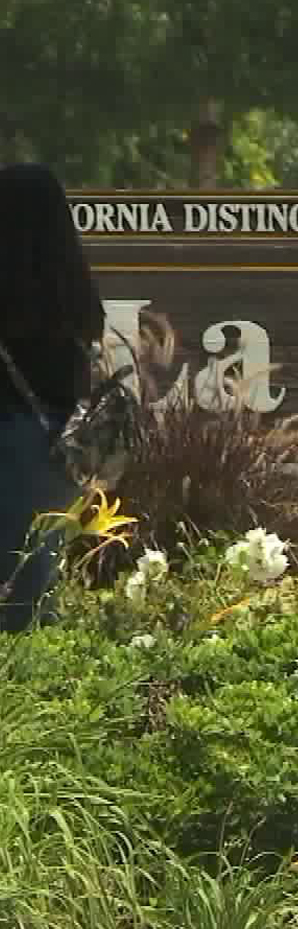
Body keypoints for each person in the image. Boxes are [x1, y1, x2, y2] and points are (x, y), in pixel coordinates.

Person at [0, 164, 101, 634]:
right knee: (36, 579)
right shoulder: (74, 293)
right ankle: (42, 686)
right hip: (64, 446)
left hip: (13, 438)